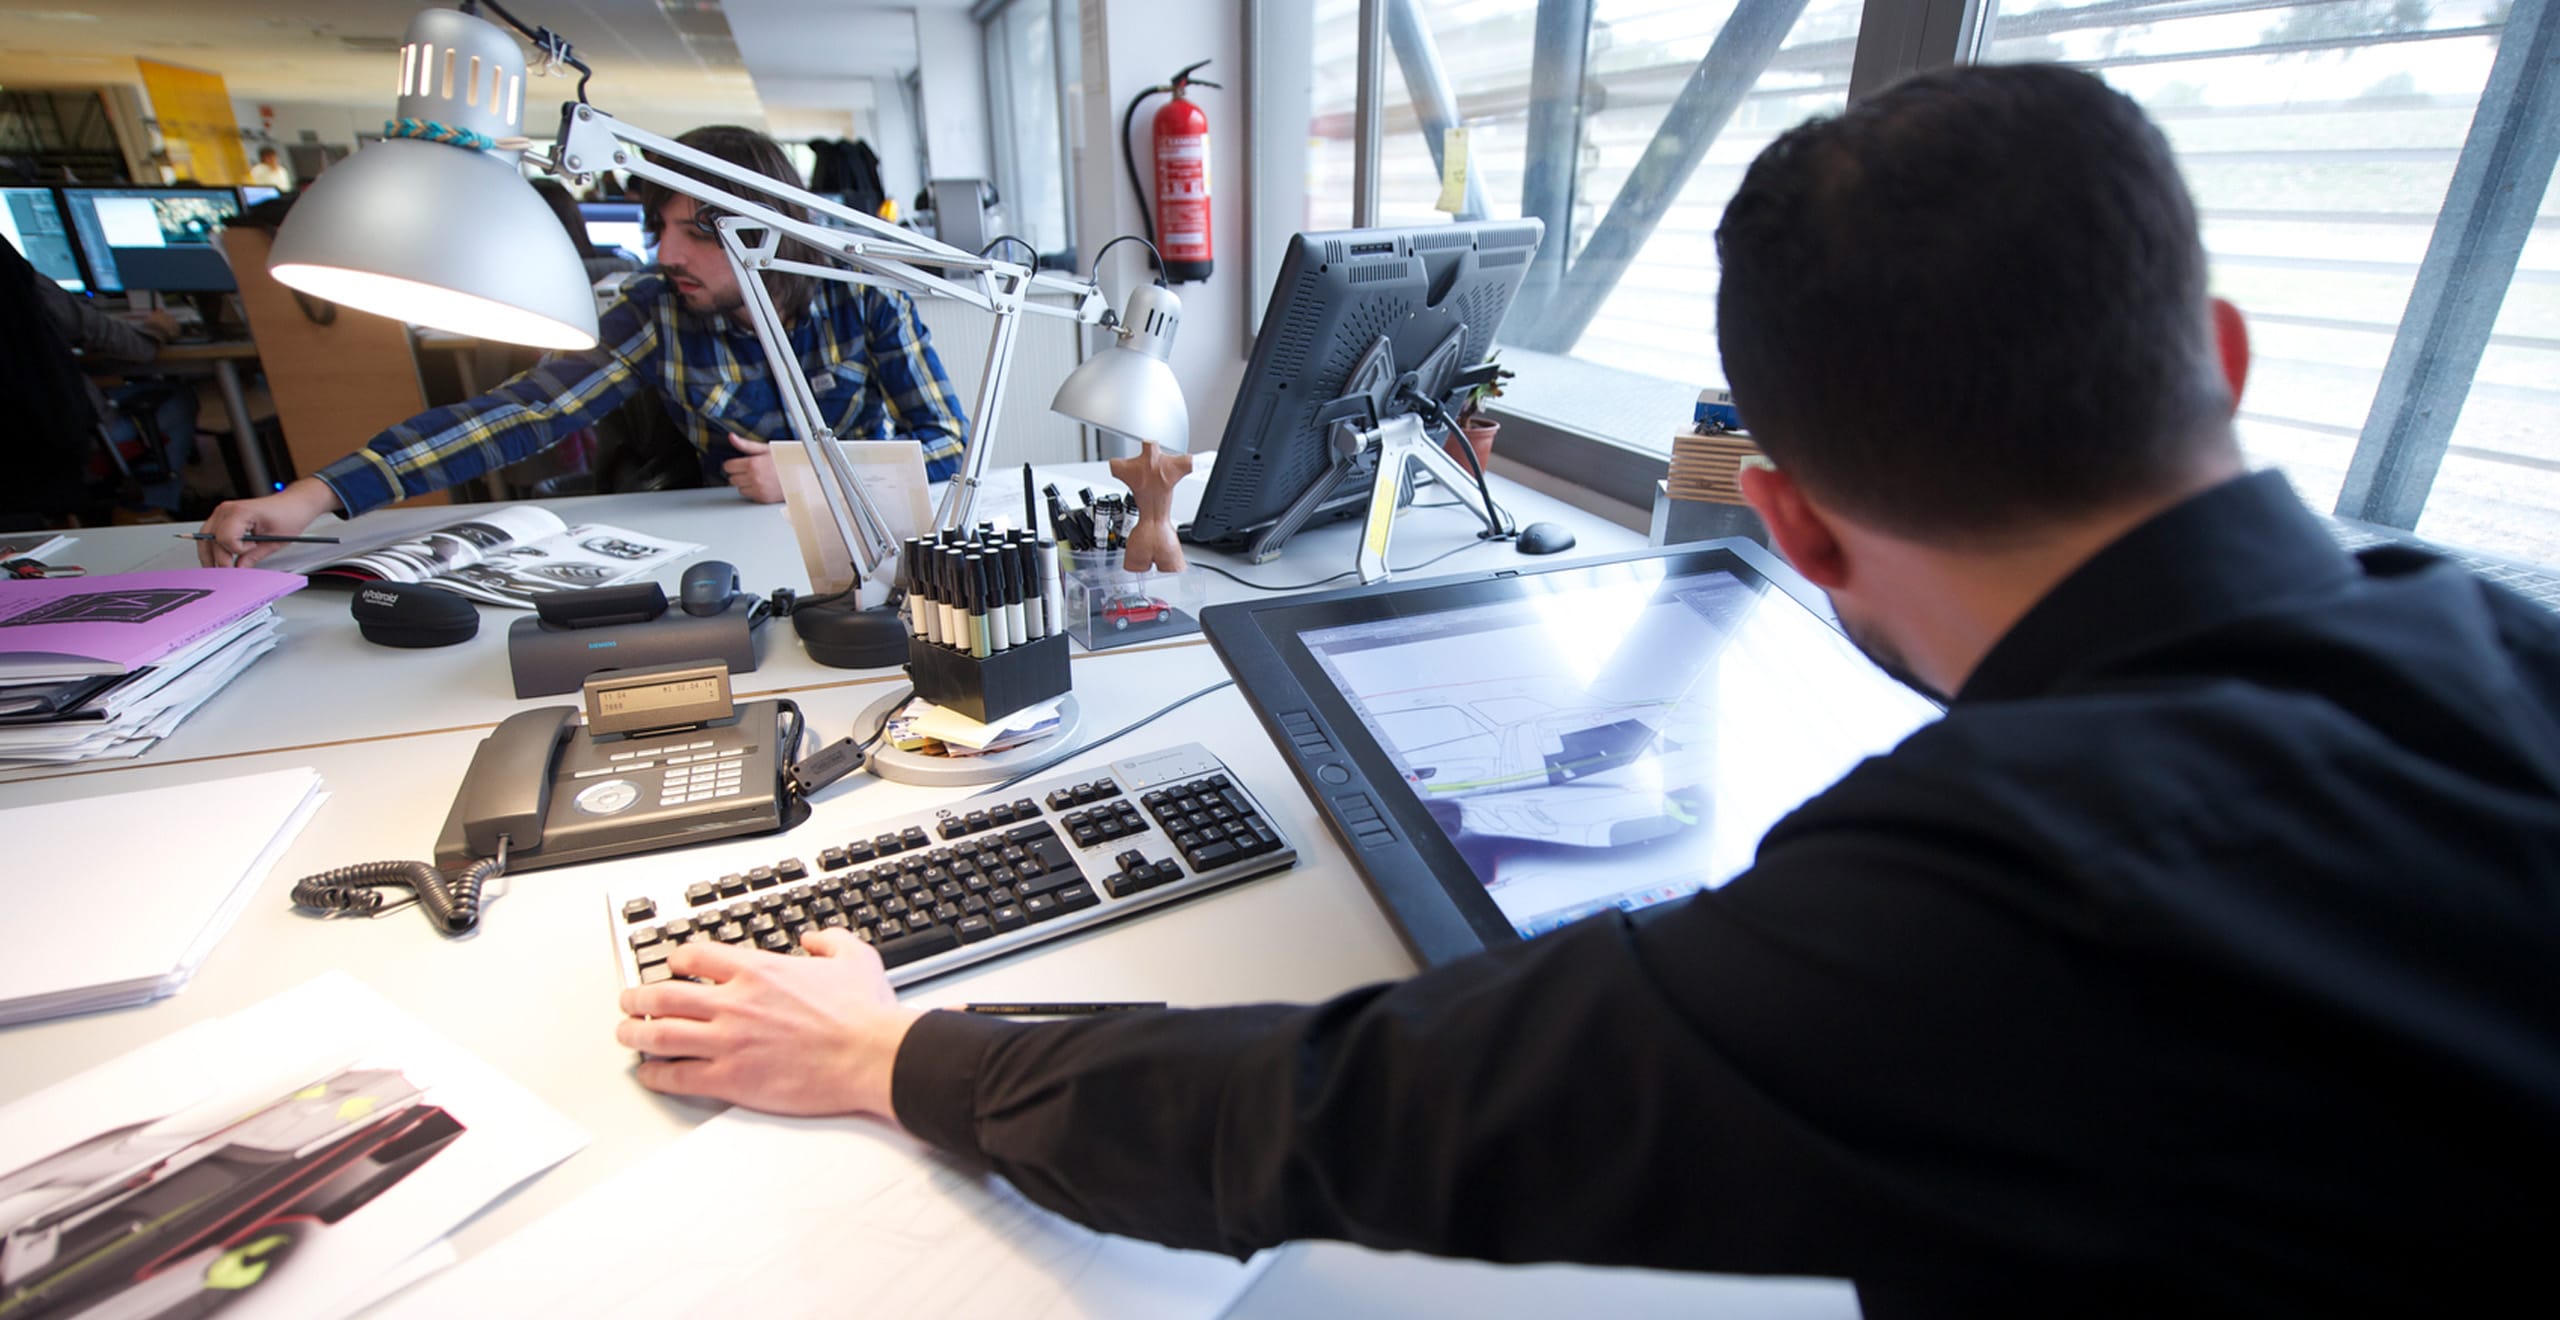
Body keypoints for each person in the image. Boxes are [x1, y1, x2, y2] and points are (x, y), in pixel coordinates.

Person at [612, 65, 2560, 1313]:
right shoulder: (2500, 656)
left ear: (1783, 526)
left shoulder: (2002, 898)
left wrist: (889, 1053)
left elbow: (1333, 1114)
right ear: (2210, 349)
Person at [195, 125, 968, 567]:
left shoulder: (864, 299)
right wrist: (315, 496)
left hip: (864, 551)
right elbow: (520, 416)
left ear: (765, 231)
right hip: (725, 555)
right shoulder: (656, 311)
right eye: (658, 229)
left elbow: (949, 446)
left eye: (694, 234)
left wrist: (808, 475)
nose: (667, 255)